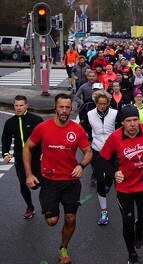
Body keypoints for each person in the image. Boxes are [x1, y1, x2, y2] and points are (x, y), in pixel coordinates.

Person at [22, 93, 92, 264]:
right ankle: (50, 209)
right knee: (52, 221)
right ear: (55, 107)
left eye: (67, 107)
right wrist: (29, 174)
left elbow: (88, 152)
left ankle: (63, 248)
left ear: (71, 109)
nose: (64, 110)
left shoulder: (77, 130)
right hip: (49, 180)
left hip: (71, 181)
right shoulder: (43, 128)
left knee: (71, 218)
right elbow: (27, 148)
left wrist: (81, 165)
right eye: (61, 107)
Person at [99, 105, 143, 264]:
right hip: (125, 188)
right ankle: (132, 254)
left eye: (135, 120)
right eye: (128, 121)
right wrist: (114, 173)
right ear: (122, 122)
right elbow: (101, 160)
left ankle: (139, 228)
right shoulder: (115, 138)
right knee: (127, 222)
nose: (133, 124)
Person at [2, 95, 44, 219]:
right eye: (16, 105)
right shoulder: (10, 123)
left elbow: (45, 136)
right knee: (23, 185)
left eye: (21, 105)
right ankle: (30, 207)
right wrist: (6, 153)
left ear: (26, 106)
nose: (18, 108)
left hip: (37, 156)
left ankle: (46, 204)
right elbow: (5, 139)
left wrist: (44, 152)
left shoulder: (36, 119)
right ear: (13, 106)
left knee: (39, 184)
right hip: (20, 158)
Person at [83, 90, 121, 225]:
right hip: (97, 149)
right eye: (100, 104)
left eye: (105, 104)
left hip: (112, 150)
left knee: (110, 177)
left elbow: (120, 129)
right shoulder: (90, 114)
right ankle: (104, 211)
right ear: (96, 103)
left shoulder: (115, 113)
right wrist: (88, 139)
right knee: (100, 179)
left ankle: (108, 184)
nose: (102, 106)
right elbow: (84, 127)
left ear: (108, 103)